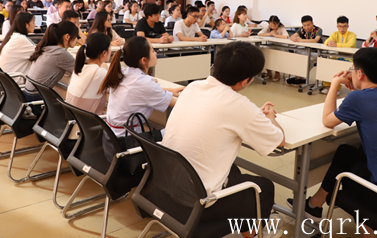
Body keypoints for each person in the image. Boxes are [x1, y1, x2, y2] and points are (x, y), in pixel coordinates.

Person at [288, 47, 377, 225]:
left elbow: (327, 120)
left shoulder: (358, 98)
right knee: (346, 153)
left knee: (345, 176)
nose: (351, 73)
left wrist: (335, 83)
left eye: (353, 69)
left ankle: (368, 231)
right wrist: (358, 87)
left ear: (360, 74)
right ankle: (314, 205)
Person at [163, 41, 285, 238]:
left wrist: (252, 115)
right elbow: (278, 140)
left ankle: (246, 226)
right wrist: (270, 117)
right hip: (197, 203)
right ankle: (253, 233)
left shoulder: (194, 86)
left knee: (233, 171)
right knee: (264, 188)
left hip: (165, 188)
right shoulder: (240, 105)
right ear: (245, 81)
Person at [99, 36, 183, 137]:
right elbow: (179, 104)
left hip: (111, 136)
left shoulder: (123, 73)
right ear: (144, 60)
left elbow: (139, 89)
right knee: (175, 130)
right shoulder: (145, 83)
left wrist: (168, 90)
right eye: (153, 51)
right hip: (127, 140)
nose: (156, 53)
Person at [24, 21, 79, 116]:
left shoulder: (47, 48)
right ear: (67, 37)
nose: (77, 40)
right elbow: (81, 71)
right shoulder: (60, 53)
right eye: (76, 36)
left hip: (29, 98)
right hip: (38, 102)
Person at [66, 32, 111, 115]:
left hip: (74, 118)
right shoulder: (99, 72)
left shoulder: (81, 65)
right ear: (104, 53)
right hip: (87, 120)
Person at [0, 12, 36, 80]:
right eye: (33, 22)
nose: (35, 25)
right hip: (16, 81)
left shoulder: (13, 37)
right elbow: (40, 54)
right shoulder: (20, 39)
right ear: (26, 25)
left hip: (9, 81)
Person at [258, 15, 289, 82]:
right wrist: (270, 34)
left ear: (278, 23)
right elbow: (259, 33)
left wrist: (275, 35)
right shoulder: (268, 27)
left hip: (280, 46)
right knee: (265, 53)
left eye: (274, 26)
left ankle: (277, 73)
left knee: (276, 56)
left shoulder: (281, 28)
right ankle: (268, 71)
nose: (272, 27)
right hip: (271, 45)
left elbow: (286, 36)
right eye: (271, 25)